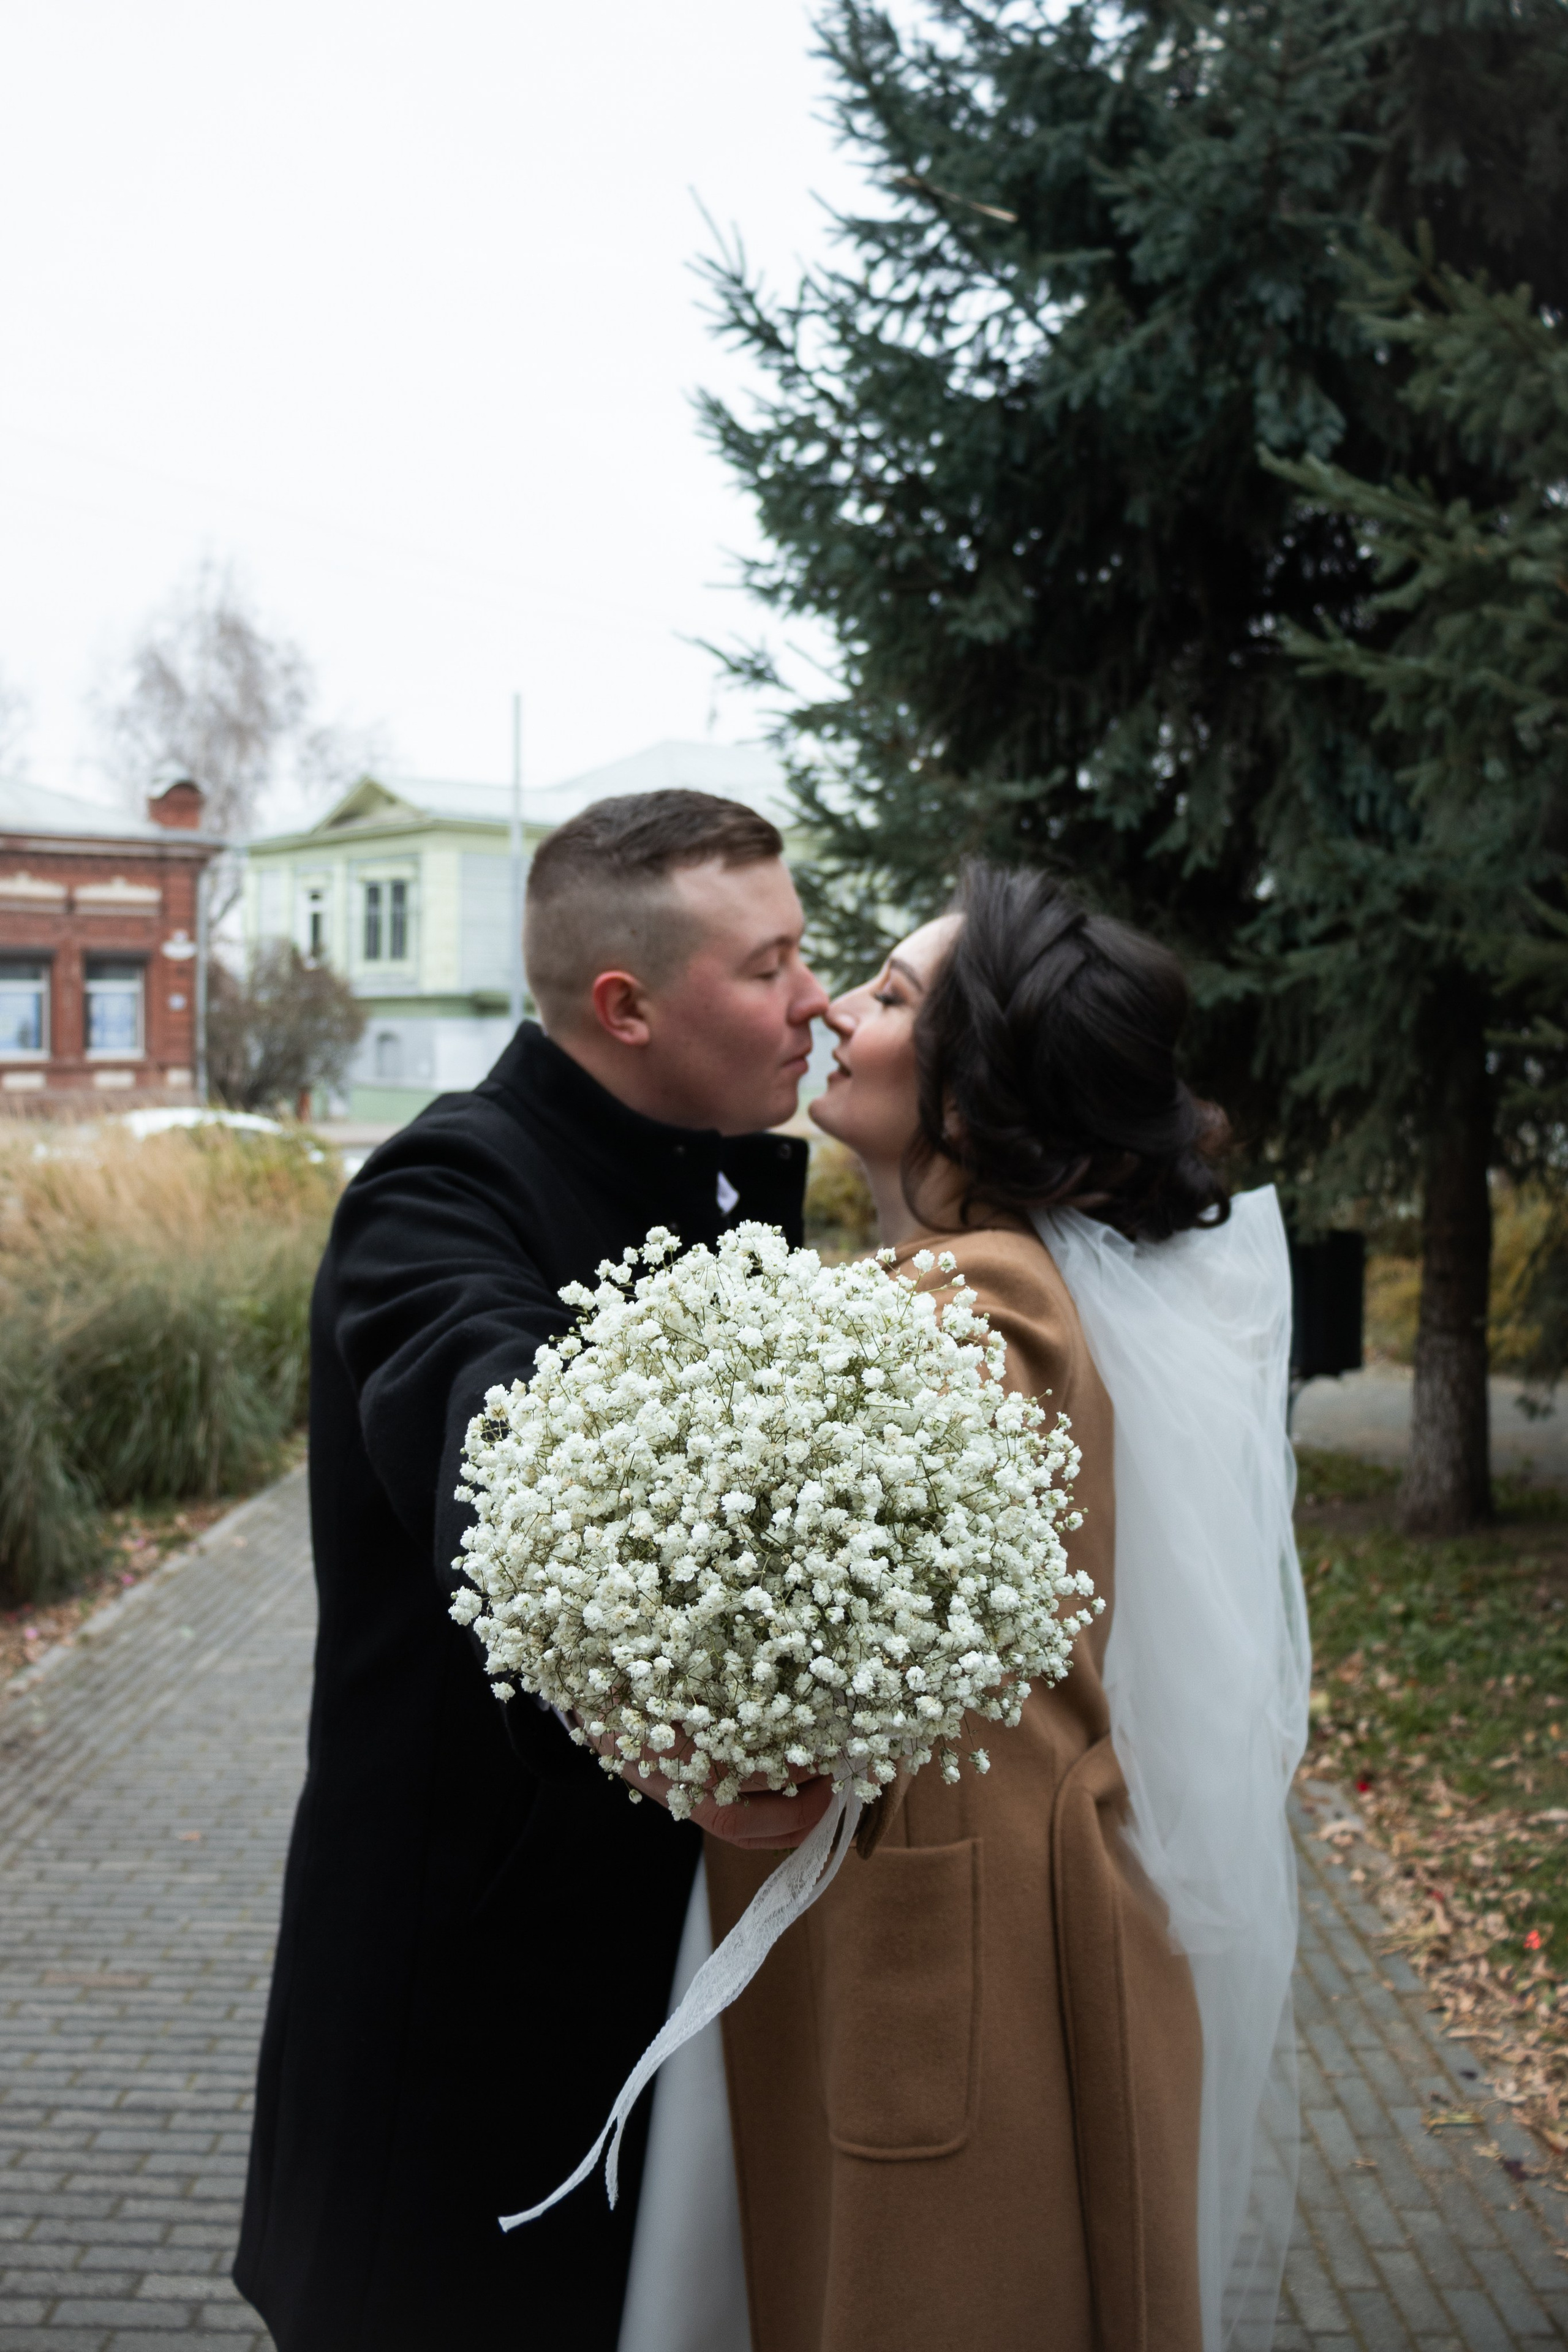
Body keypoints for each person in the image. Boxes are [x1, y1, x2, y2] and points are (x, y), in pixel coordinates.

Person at [233, 789, 832, 2351]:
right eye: (767, 966)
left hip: (646, 1990)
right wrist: (667, 1713)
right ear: (625, 1008)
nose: (813, 1000)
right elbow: (490, 1427)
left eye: (809, 954)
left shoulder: (717, 1171)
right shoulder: (439, 1193)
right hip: (465, 1997)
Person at [699, 864, 1308, 2352]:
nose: (836, 1009)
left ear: (972, 1098)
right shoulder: (969, 1281)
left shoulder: (979, 1308)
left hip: (969, 1953)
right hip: (972, 1923)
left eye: (893, 995)